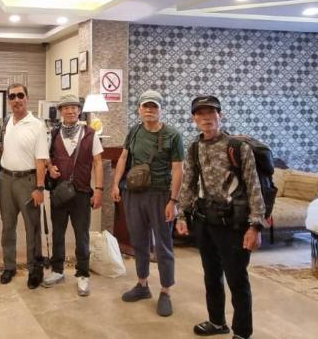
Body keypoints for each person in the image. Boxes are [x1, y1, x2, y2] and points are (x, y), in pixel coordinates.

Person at [176, 95, 265, 339]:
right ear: (194, 119)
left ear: (220, 115)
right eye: (201, 114)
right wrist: (181, 214)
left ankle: (242, 333)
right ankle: (217, 322)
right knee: (211, 275)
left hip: (234, 224)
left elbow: (254, 186)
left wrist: (255, 226)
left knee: (237, 280)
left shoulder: (238, 147)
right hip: (205, 220)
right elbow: (189, 182)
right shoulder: (194, 147)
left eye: (211, 113)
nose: (206, 118)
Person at [111, 90, 184, 317]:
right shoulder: (134, 131)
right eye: (145, 107)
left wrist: (173, 200)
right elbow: (123, 157)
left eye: (154, 107)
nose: (149, 110)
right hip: (134, 194)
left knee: (163, 244)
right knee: (139, 241)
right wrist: (115, 184)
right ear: (139, 109)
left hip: (160, 195)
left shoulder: (173, 135)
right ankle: (142, 284)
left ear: (161, 109)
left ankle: (165, 291)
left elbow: (178, 168)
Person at [42, 94, 103, 296]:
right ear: (60, 112)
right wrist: (50, 168)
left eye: (74, 108)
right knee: (58, 233)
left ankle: (83, 274)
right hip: (59, 192)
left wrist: (100, 190)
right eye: (65, 108)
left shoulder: (90, 133)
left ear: (79, 111)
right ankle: (58, 270)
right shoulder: (54, 132)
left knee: (82, 235)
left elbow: (98, 162)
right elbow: (47, 158)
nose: (70, 111)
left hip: (82, 193)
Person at [0, 83, 49, 288]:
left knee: (32, 228)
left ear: (27, 98)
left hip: (28, 182)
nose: (16, 99)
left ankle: (34, 270)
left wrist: (40, 187)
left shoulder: (37, 125)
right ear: (8, 100)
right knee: (7, 227)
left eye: (20, 95)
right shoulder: (7, 122)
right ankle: (9, 267)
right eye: (12, 96)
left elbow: (41, 159)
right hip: (5, 181)